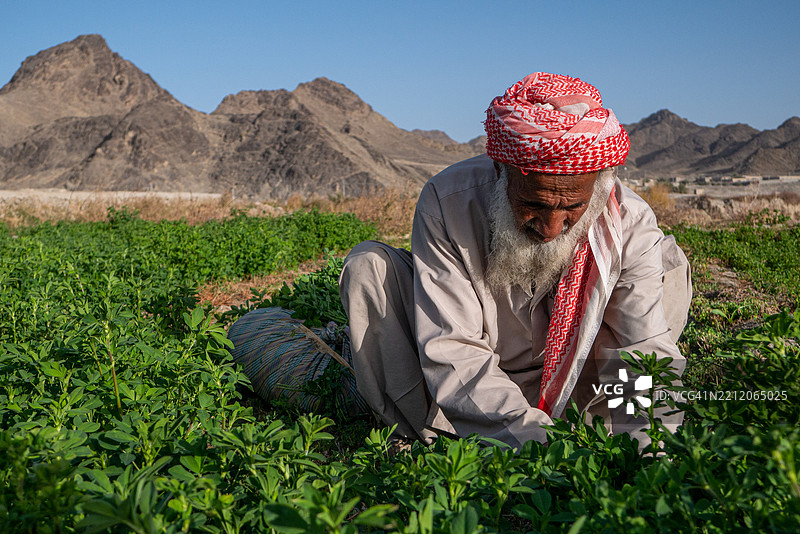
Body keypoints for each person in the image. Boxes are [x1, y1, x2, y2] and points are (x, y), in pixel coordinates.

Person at [338, 72, 692, 450]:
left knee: (669, 265)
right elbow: (453, 348)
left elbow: (642, 349)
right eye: (534, 205)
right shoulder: (449, 201)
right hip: (467, 388)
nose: (552, 228)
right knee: (367, 269)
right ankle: (441, 438)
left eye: (573, 206)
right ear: (501, 173)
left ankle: (603, 432)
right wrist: (541, 445)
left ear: (600, 183)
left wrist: (650, 451)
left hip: (583, 383)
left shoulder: (627, 218)